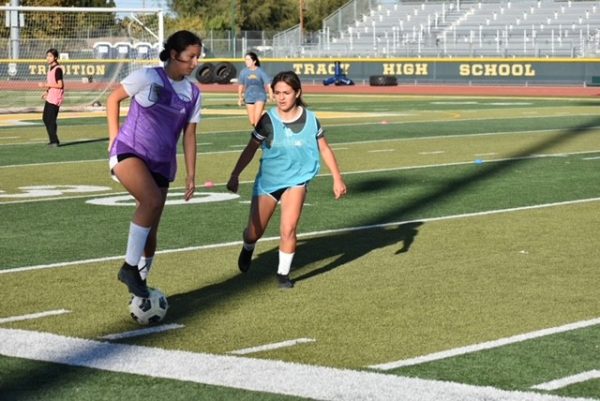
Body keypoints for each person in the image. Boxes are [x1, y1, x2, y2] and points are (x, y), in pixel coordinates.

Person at [227, 71, 347, 289]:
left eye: (287, 92)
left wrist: (337, 179)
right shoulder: (267, 121)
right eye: (277, 92)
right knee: (255, 232)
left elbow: (325, 149)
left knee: (289, 228)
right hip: (270, 181)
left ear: (297, 93)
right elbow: (250, 149)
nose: (281, 97)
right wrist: (235, 175)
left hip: (297, 180)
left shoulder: (311, 119)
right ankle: (248, 246)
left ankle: (283, 274)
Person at [106, 30, 203, 298]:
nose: (195, 63)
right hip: (130, 152)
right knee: (151, 201)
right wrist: (114, 138)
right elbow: (113, 99)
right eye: (190, 57)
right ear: (174, 54)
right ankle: (128, 268)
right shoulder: (148, 76)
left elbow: (190, 136)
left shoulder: (194, 94)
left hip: (162, 163)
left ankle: (141, 284)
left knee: (151, 230)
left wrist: (192, 174)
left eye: (198, 57)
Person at [237, 51, 273, 127]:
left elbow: (268, 84)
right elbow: (240, 85)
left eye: (248, 59)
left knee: (256, 121)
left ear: (254, 61)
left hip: (260, 97)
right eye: (245, 59)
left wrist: (271, 95)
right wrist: (240, 98)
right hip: (249, 97)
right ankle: (265, 115)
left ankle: (259, 137)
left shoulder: (260, 71)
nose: (246, 61)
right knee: (252, 122)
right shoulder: (243, 72)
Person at [38, 48, 64, 147]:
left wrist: (45, 85)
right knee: (46, 118)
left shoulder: (57, 69)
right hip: (51, 96)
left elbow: (60, 84)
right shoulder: (50, 68)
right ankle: (53, 140)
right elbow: (52, 83)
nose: (48, 58)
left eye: (50, 56)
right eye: (47, 56)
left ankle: (54, 141)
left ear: (55, 57)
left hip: (56, 97)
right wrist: (46, 92)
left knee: (50, 119)